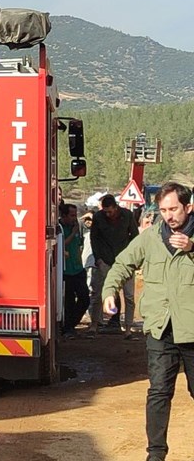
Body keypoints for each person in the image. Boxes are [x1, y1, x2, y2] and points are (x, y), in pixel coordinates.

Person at [102, 182, 194, 461]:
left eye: (174, 209)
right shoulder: (151, 238)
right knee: (158, 392)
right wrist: (109, 291)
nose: (169, 216)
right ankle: (156, 454)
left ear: (188, 208)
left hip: (192, 330)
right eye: (163, 210)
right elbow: (122, 264)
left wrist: (192, 248)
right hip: (159, 328)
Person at [90, 194, 139, 334]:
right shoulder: (98, 217)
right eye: (105, 211)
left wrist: (134, 259)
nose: (108, 214)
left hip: (126, 261)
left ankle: (128, 328)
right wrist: (98, 258)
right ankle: (94, 324)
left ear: (116, 207)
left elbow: (135, 238)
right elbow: (94, 238)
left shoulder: (128, 215)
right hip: (105, 260)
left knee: (129, 296)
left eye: (110, 211)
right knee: (99, 293)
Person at [60, 203, 89, 337]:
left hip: (78, 270)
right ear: (64, 215)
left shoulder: (77, 228)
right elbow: (62, 243)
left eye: (75, 215)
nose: (74, 218)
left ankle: (71, 324)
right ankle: (68, 328)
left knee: (84, 299)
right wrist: (73, 233)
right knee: (69, 302)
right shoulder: (60, 228)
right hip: (66, 272)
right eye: (71, 215)